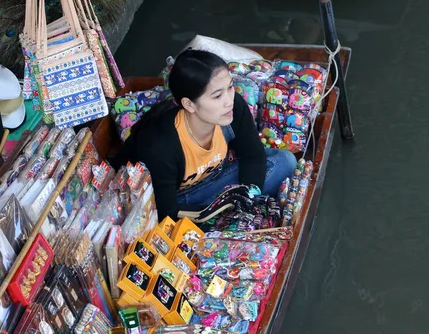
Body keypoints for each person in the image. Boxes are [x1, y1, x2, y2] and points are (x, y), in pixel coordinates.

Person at [111, 49, 297, 221]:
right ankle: (217, 220)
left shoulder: (233, 108)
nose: (228, 101)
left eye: (230, 88)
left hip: (217, 181)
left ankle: (227, 214)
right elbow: (165, 211)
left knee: (286, 161)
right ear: (189, 104)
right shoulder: (160, 145)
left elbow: (253, 156)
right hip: (179, 200)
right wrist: (217, 210)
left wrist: (249, 196)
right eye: (217, 96)